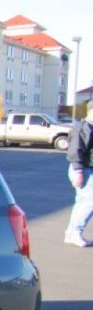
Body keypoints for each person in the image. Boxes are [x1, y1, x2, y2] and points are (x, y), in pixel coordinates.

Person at [65, 105, 93, 246]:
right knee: (89, 202)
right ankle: (76, 232)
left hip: (87, 169)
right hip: (83, 170)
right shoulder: (82, 128)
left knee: (82, 202)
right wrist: (78, 171)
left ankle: (71, 233)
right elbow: (75, 150)